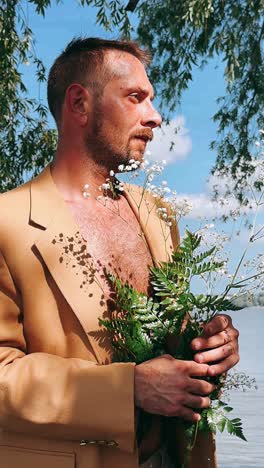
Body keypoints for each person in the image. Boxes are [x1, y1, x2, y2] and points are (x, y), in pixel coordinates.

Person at [0, 37, 239, 468]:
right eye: (135, 97)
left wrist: (209, 343)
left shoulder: (158, 213)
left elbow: (171, 335)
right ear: (79, 104)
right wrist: (128, 388)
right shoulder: (6, 220)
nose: (155, 116)